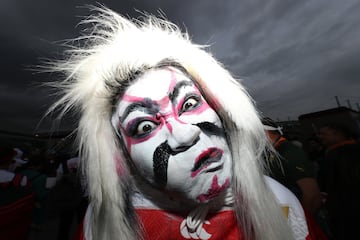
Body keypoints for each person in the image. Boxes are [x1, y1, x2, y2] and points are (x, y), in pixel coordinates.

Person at [45, 6, 320, 240]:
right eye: (145, 127)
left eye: (189, 104)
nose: (184, 134)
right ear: (121, 157)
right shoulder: (102, 222)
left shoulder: (281, 203)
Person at [261, 117, 322, 216]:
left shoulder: (289, 152)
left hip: (303, 220)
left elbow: (312, 196)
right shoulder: (273, 152)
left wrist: (302, 222)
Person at [317, 122, 360, 240]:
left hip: (348, 212)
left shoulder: (345, 153)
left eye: (323, 134)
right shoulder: (332, 153)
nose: (320, 137)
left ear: (337, 134)